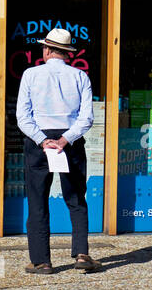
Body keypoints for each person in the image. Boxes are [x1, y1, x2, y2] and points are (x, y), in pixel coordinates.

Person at [15, 27, 98, 274]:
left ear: (48, 50)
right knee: (75, 198)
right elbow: (87, 119)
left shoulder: (31, 74)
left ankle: (41, 261)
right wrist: (65, 139)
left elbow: (22, 116)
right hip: (69, 141)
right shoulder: (81, 77)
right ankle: (81, 254)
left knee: (38, 199)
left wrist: (42, 140)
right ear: (67, 53)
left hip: (38, 140)